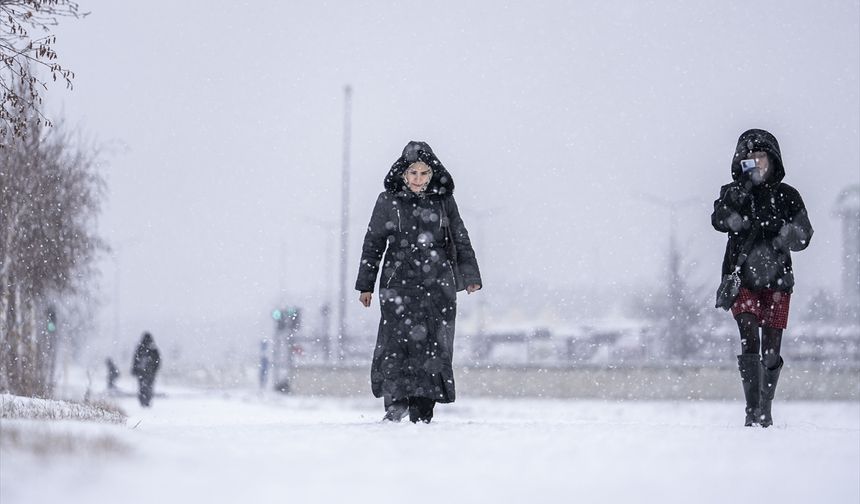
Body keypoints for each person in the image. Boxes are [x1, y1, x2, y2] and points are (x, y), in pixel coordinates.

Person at [356, 141, 482, 423]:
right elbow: (373, 243)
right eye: (413, 173)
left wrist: (470, 277)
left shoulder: (443, 201)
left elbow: (460, 237)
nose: (418, 179)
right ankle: (396, 403)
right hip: (397, 281)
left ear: (432, 174)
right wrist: (366, 285)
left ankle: (423, 407)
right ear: (403, 173)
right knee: (395, 343)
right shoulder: (387, 201)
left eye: (424, 173)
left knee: (433, 346)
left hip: (437, 283)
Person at [711, 129, 813, 427]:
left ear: (772, 159)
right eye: (749, 157)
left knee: (771, 348)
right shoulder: (732, 191)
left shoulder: (788, 195)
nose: (755, 161)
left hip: (778, 280)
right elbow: (718, 219)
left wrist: (784, 235)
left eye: (761, 156)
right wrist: (740, 198)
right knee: (748, 332)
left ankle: (765, 407)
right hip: (742, 277)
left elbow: (805, 234)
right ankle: (752, 409)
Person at [131, 331, 161, 407]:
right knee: (148, 387)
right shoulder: (153, 348)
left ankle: (143, 401)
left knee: (142, 387)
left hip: (142, 372)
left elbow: (135, 360)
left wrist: (135, 369)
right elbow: (158, 361)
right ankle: (147, 400)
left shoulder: (140, 348)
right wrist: (154, 369)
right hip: (149, 372)